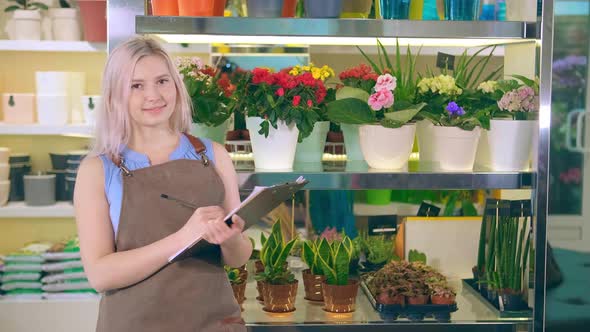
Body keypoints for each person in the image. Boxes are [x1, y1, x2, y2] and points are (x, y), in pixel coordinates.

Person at [74, 36, 251, 332]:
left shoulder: (214, 155)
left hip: (214, 323)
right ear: (114, 96)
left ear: (176, 86)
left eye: (162, 81)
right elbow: (100, 274)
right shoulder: (97, 170)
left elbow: (238, 257)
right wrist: (184, 237)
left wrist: (230, 237)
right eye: (136, 85)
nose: (153, 95)